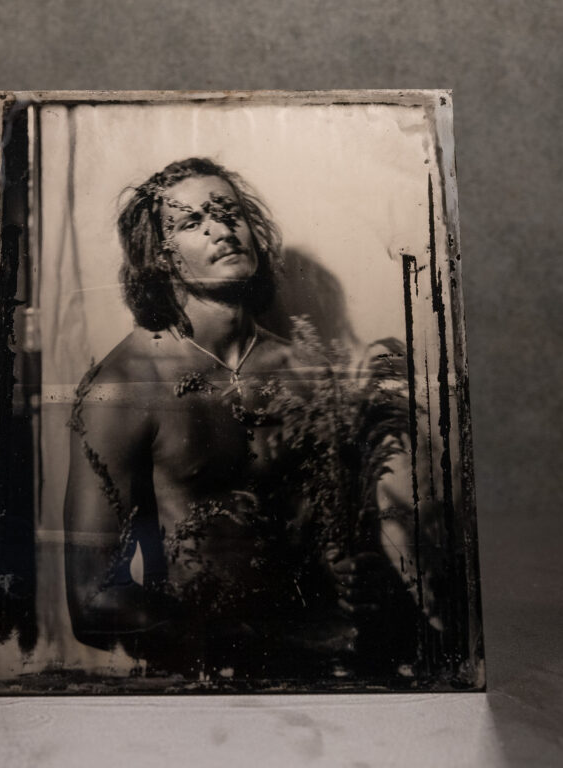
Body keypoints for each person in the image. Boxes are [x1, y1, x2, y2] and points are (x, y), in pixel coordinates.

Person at [63, 158, 407, 679]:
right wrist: (275, 639)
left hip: (324, 670)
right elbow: (93, 602)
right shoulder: (126, 387)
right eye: (192, 222)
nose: (221, 230)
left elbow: (342, 545)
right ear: (159, 257)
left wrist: (364, 581)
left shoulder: (306, 372)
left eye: (230, 213)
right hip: (198, 681)